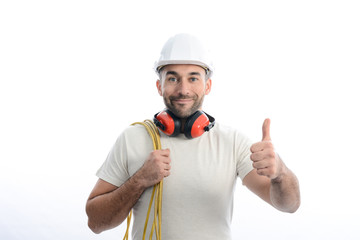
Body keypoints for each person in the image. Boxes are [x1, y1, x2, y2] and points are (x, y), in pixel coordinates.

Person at [85, 33, 300, 239]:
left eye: (193, 78)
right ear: (159, 86)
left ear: (207, 85)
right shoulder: (132, 138)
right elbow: (95, 222)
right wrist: (139, 180)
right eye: (173, 79)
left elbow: (290, 205)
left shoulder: (233, 142)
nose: (183, 89)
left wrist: (280, 172)